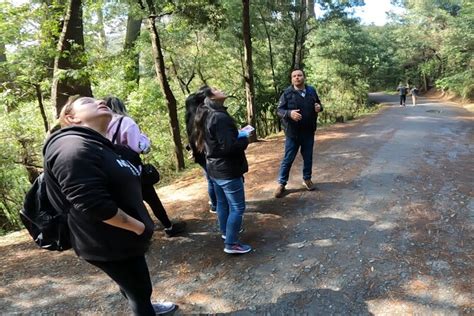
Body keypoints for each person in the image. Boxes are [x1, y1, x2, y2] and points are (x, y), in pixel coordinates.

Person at [44, 96, 177, 315]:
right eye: (88, 102)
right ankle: (145, 307)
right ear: (71, 117)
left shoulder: (98, 144)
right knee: (141, 289)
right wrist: (138, 227)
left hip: (119, 238)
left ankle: (144, 304)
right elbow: (93, 203)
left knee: (133, 287)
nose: (98, 101)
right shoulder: (73, 148)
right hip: (109, 241)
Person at [105, 97, 186, 237]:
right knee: (151, 198)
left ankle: (138, 233)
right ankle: (168, 226)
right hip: (133, 168)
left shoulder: (101, 125)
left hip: (115, 170)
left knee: (131, 203)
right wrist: (144, 139)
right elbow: (138, 148)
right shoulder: (126, 122)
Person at [193, 87, 252, 254]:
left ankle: (227, 234)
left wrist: (236, 135)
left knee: (222, 203)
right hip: (227, 170)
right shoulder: (219, 117)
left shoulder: (205, 113)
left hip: (214, 169)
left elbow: (218, 143)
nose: (221, 90)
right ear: (211, 96)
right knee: (237, 207)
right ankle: (231, 244)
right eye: (217, 89)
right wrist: (244, 139)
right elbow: (229, 147)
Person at [274, 69, 323, 198]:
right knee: (288, 159)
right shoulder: (287, 93)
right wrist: (289, 113)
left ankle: (307, 179)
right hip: (293, 134)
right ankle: (281, 184)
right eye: (294, 76)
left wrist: (319, 108)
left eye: (299, 75)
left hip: (308, 131)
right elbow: (279, 110)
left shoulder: (311, 90)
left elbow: (318, 104)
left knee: (308, 157)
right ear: (291, 79)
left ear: (304, 77)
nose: (297, 78)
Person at [185, 87, 217, 214]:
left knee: (209, 179)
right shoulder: (202, 116)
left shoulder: (189, 118)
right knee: (213, 179)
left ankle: (214, 202)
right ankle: (215, 204)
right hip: (206, 152)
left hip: (198, 153)